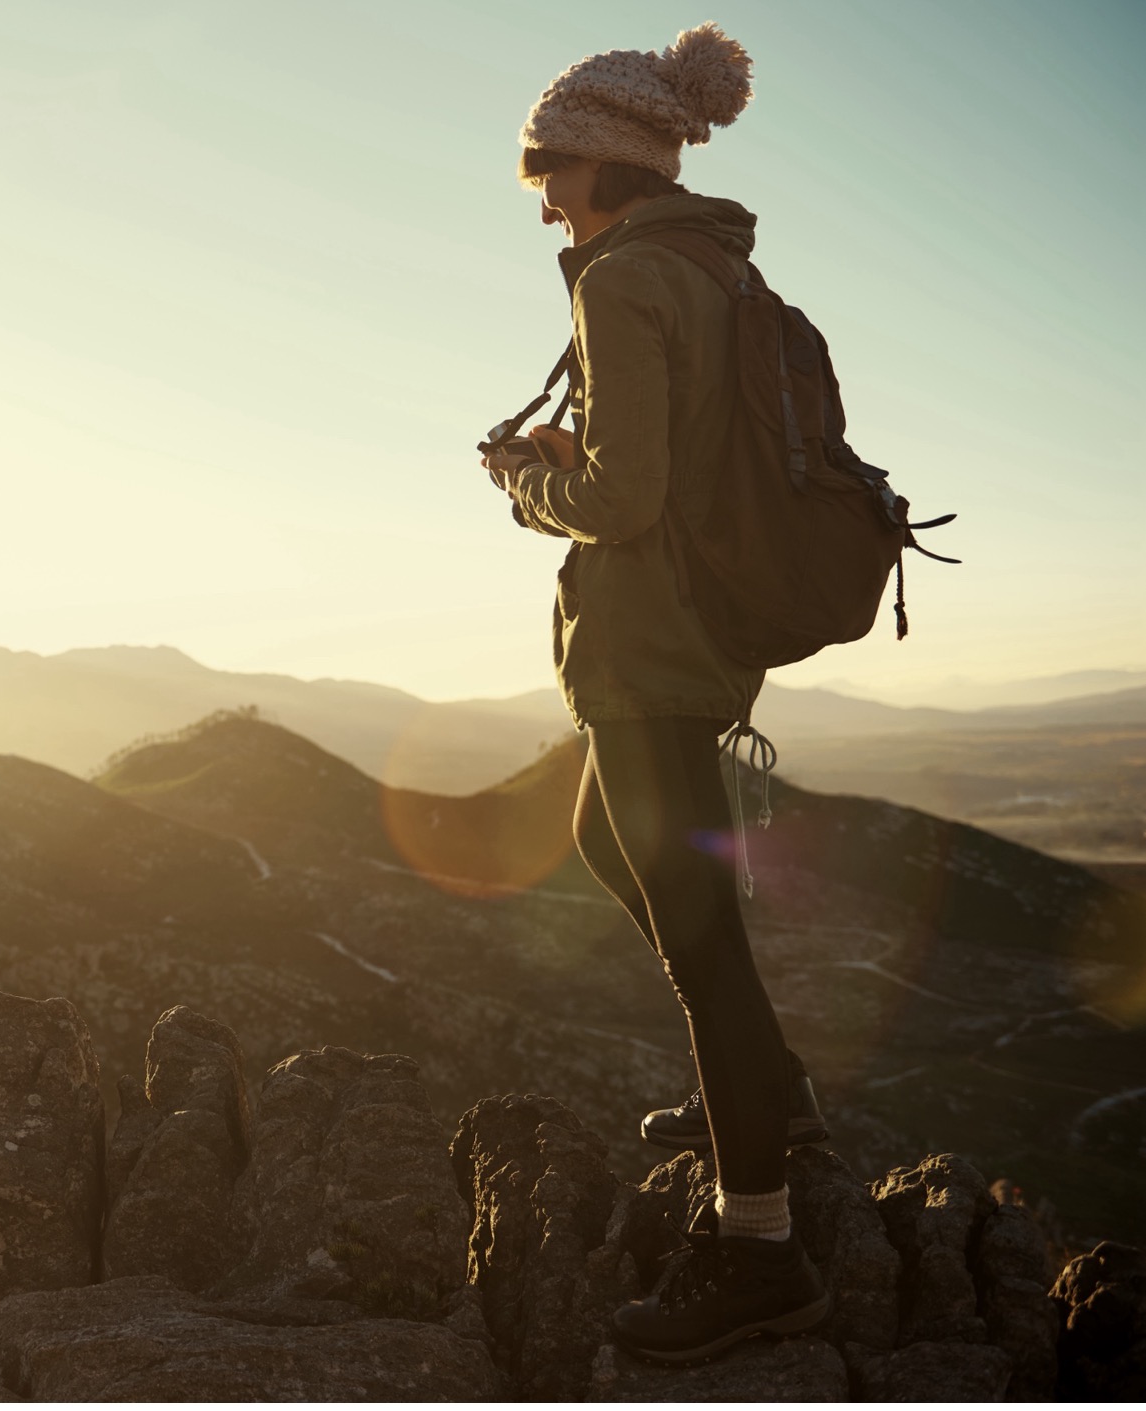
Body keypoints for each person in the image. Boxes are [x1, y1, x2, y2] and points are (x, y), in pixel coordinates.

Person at [479, 24, 831, 1362]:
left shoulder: (624, 282)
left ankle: (759, 1250)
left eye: (548, 174)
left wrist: (526, 482)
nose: (542, 201)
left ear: (605, 161)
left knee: (703, 954)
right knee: (594, 844)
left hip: (650, 649)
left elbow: (619, 500)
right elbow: (672, 467)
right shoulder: (709, 267)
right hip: (701, 633)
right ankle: (772, 1094)